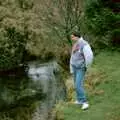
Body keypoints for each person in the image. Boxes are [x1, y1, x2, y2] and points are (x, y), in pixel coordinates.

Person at [70, 32, 93, 110]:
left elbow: (89, 56)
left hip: (81, 68)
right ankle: (79, 100)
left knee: (78, 85)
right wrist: (71, 67)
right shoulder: (75, 44)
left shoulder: (84, 44)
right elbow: (72, 56)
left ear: (77, 37)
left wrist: (86, 66)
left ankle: (85, 102)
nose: (72, 38)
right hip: (75, 67)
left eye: (73, 37)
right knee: (76, 84)